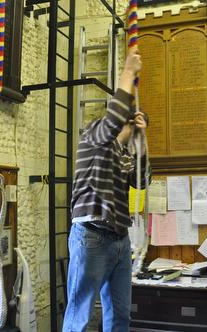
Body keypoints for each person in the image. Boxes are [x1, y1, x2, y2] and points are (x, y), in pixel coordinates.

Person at [63, 48, 150, 332]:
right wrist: (128, 72)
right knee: (81, 319)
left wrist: (141, 141)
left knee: (120, 317)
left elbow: (142, 180)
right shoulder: (95, 134)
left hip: (119, 240)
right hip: (92, 235)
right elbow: (114, 118)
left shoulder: (123, 155)